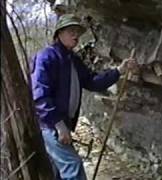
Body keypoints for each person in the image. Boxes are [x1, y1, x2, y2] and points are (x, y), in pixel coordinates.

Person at [30, 14, 136, 180]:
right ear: (59, 34)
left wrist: (119, 71)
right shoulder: (46, 56)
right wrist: (58, 124)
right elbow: (40, 95)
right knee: (73, 167)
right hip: (49, 125)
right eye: (71, 31)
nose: (76, 35)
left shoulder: (72, 59)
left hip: (62, 124)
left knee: (58, 172)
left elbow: (93, 82)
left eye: (78, 32)